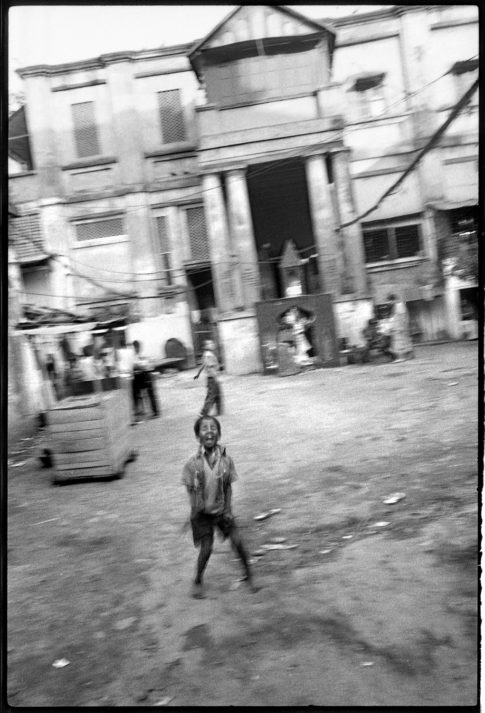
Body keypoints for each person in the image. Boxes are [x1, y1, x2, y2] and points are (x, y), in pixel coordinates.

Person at [182, 415, 257, 599]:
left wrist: (229, 510)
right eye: (204, 428)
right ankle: (198, 580)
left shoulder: (226, 461)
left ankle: (249, 575)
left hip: (222, 511)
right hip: (202, 515)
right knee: (206, 549)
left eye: (213, 428)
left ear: (219, 434)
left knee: (238, 541)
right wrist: (194, 509)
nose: (209, 431)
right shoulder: (193, 464)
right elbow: (190, 488)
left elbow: (228, 486)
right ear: (198, 436)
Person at [194, 339, 222, 417]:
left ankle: (219, 411)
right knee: (211, 396)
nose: (212, 344)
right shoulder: (209, 355)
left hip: (211, 377)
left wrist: (198, 374)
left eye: (212, 343)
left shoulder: (206, 354)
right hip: (212, 378)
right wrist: (216, 378)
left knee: (216, 394)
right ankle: (203, 413)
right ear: (206, 346)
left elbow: (202, 366)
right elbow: (210, 367)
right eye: (210, 344)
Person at [132, 340, 160, 419]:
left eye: (137, 348)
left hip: (145, 376)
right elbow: (138, 366)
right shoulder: (134, 357)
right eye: (135, 348)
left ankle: (155, 412)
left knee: (150, 393)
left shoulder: (142, 356)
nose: (136, 349)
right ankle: (140, 411)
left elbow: (146, 366)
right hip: (139, 377)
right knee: (136, 393)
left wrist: (140, 366)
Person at [387, 294, 414, 362]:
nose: (389, 303)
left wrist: (402, 327)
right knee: (404, 342)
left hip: (400, 328)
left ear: (393, 300)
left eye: (389, 301)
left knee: (399, 343)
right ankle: (409, 356)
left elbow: (402, 318)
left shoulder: (399, 305)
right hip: (398, 327)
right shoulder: (397, 305)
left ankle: (401, 357)